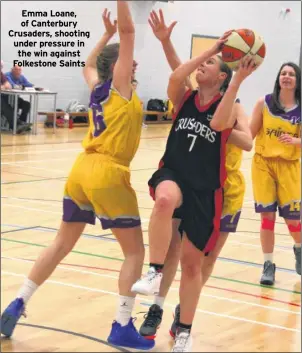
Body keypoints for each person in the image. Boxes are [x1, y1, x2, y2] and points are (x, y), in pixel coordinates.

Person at [0, 2, 154, 350]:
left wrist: (105, 34)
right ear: (116, 67)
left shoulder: (97, 87)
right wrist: (121, 17)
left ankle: (18, 301)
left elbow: (87, 64)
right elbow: (129, 33)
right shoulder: (119, 88)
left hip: (81, 170)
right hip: (108, 173)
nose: (134, 63)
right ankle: (122, 325)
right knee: (135, 254)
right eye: (127, 60)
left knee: (61, 243)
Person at [131, 24, 258, 350]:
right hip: (184, 177)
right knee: (172, 245)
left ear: (223, 77)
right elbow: (179, 73)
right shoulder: (190, 95)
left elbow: (245, 140)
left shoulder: (233, 105)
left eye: (212, 64)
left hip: (223, 190)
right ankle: (157, 304)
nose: (202, 65)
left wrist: (228, 128)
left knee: (201, 263)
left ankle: (183, 317)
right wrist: (168, 42)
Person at [249, 62, 301, 286]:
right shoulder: (264, 102)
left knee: (293, 220)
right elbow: (249, 133)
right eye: (283, 73)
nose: (287, 77)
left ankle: (299, 248)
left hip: (289, 166)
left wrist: (296, 140)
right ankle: (268, 264)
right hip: (263, 164)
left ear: (297, 80)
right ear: (278, 78)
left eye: (291, 74)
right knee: (266, 218)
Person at [1, 61, 31, 133]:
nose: (18, 72)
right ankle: (15, 125)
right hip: (5, 97)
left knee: (26, 104)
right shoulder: (8, 75)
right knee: (6, 105)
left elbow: (9, 85)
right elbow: (10, 85)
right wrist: (4, 86)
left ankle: (22, 124)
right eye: (17, 70)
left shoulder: (1, 74)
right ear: (12, 70)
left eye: (20, 70)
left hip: (13, 97)